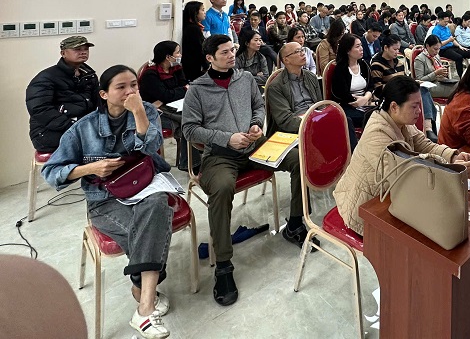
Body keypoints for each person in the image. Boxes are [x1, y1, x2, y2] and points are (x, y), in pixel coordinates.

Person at [182, 34, 315, 307]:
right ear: (209, 58)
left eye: (232, 50)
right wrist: (226, 138)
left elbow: (258, 106)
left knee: (299, 159)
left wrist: (256, 124)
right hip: (220, 155)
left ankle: (295, 223)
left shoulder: (245, 79)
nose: (231, 55)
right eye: (224, 52)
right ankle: (223, 264)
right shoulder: (197, 89)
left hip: (255, 147)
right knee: (221, 188)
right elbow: (190, 129)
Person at [42, 65, 174, 339]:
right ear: (104, 94)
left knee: (158, 203)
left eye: (133, 85)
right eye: (121, 87)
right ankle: (143, 293)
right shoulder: (84, 128)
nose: (130, 92)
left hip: (146, 186)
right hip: (105, 199)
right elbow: (51, 172)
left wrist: (139, 112)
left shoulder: (146, 111)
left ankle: (144, 307)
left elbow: (151, 147)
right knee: (151, 230)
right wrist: (89, 168)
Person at [333, 76, 470, 236]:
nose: (419, 111)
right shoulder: (377, 133)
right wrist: (449, 169)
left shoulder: (401, 122)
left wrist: (453, 157)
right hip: (364, 208)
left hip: (389, 196)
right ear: (394, 106)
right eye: (414, 106)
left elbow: (425, 145)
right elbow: (400, 177)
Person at [267, 41, 358, 151]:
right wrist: (313, 121)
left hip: (315, 117)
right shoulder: (276, 86)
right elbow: (285, 121)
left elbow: (320, 104)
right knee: (325, 133)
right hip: (296, 126)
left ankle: (353, 158)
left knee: (345, 120)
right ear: (286, 60)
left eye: (302, 50)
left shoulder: (311, 76)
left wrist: (322, 117)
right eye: (297, 51)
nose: (302, 53)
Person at [26, 36, 99, 153]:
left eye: (86, 49)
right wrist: (73, 126)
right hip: (47, 133)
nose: (83, 52)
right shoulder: (46, 77)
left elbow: (97, 103)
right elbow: (40, 109)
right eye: (77, 49)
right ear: (63, 53)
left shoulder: (89, 75)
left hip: (81, 128)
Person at [370, 32, 439, 142]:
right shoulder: (377, 64)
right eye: (395, 49)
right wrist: (397, 85)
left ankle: (427, 128)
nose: (397, 52)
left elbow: (405, 78)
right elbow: (377, 89)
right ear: (386, 48)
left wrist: (413, 82)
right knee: (419, 93)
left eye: (398, 49)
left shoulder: (399, 62)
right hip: (389, 96)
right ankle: (428, 128)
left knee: (421, 89)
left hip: (402, 92)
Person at [137, 41, 194, 171]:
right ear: (168, 57)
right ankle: (189, 163)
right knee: (188, 122)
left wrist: (176, 92)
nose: (180, 55)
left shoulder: (176, 68)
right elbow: (167, 94)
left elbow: (183, 86)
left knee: (196, 117)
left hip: (174, 106)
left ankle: (192, 158)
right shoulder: (150, 74)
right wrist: (180, 90)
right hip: (155, 112)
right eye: (177, 52)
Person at [330, 33, 376, 128]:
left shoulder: (364, 65)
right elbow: (341, 94)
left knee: (384, 113)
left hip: (366, 102)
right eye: (357, 46)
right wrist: (358, 101)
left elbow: (371, 86)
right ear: (348, 50)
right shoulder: (340, 69)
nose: (361, 49)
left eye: (361, 45)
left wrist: (365, 98)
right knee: (370, 118)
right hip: (348, 106)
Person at [433, 11, 470, 77]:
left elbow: (452, 39)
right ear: (439, 20)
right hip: (443, 50)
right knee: (459, 57)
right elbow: (437, 45)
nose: (446, 23)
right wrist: (448, 40)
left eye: (447, 21)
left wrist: (460, 46)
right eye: (445, 22)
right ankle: (461, 77)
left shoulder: (446, 28)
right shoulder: (436, 30)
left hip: (452, 47)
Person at [182, 1, 210, 81]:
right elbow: (198, 49)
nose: (205, 12)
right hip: (194, 66)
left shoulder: (193, 27)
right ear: (195, 12)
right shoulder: (193, 29)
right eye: (202, 10)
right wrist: (206, 65)